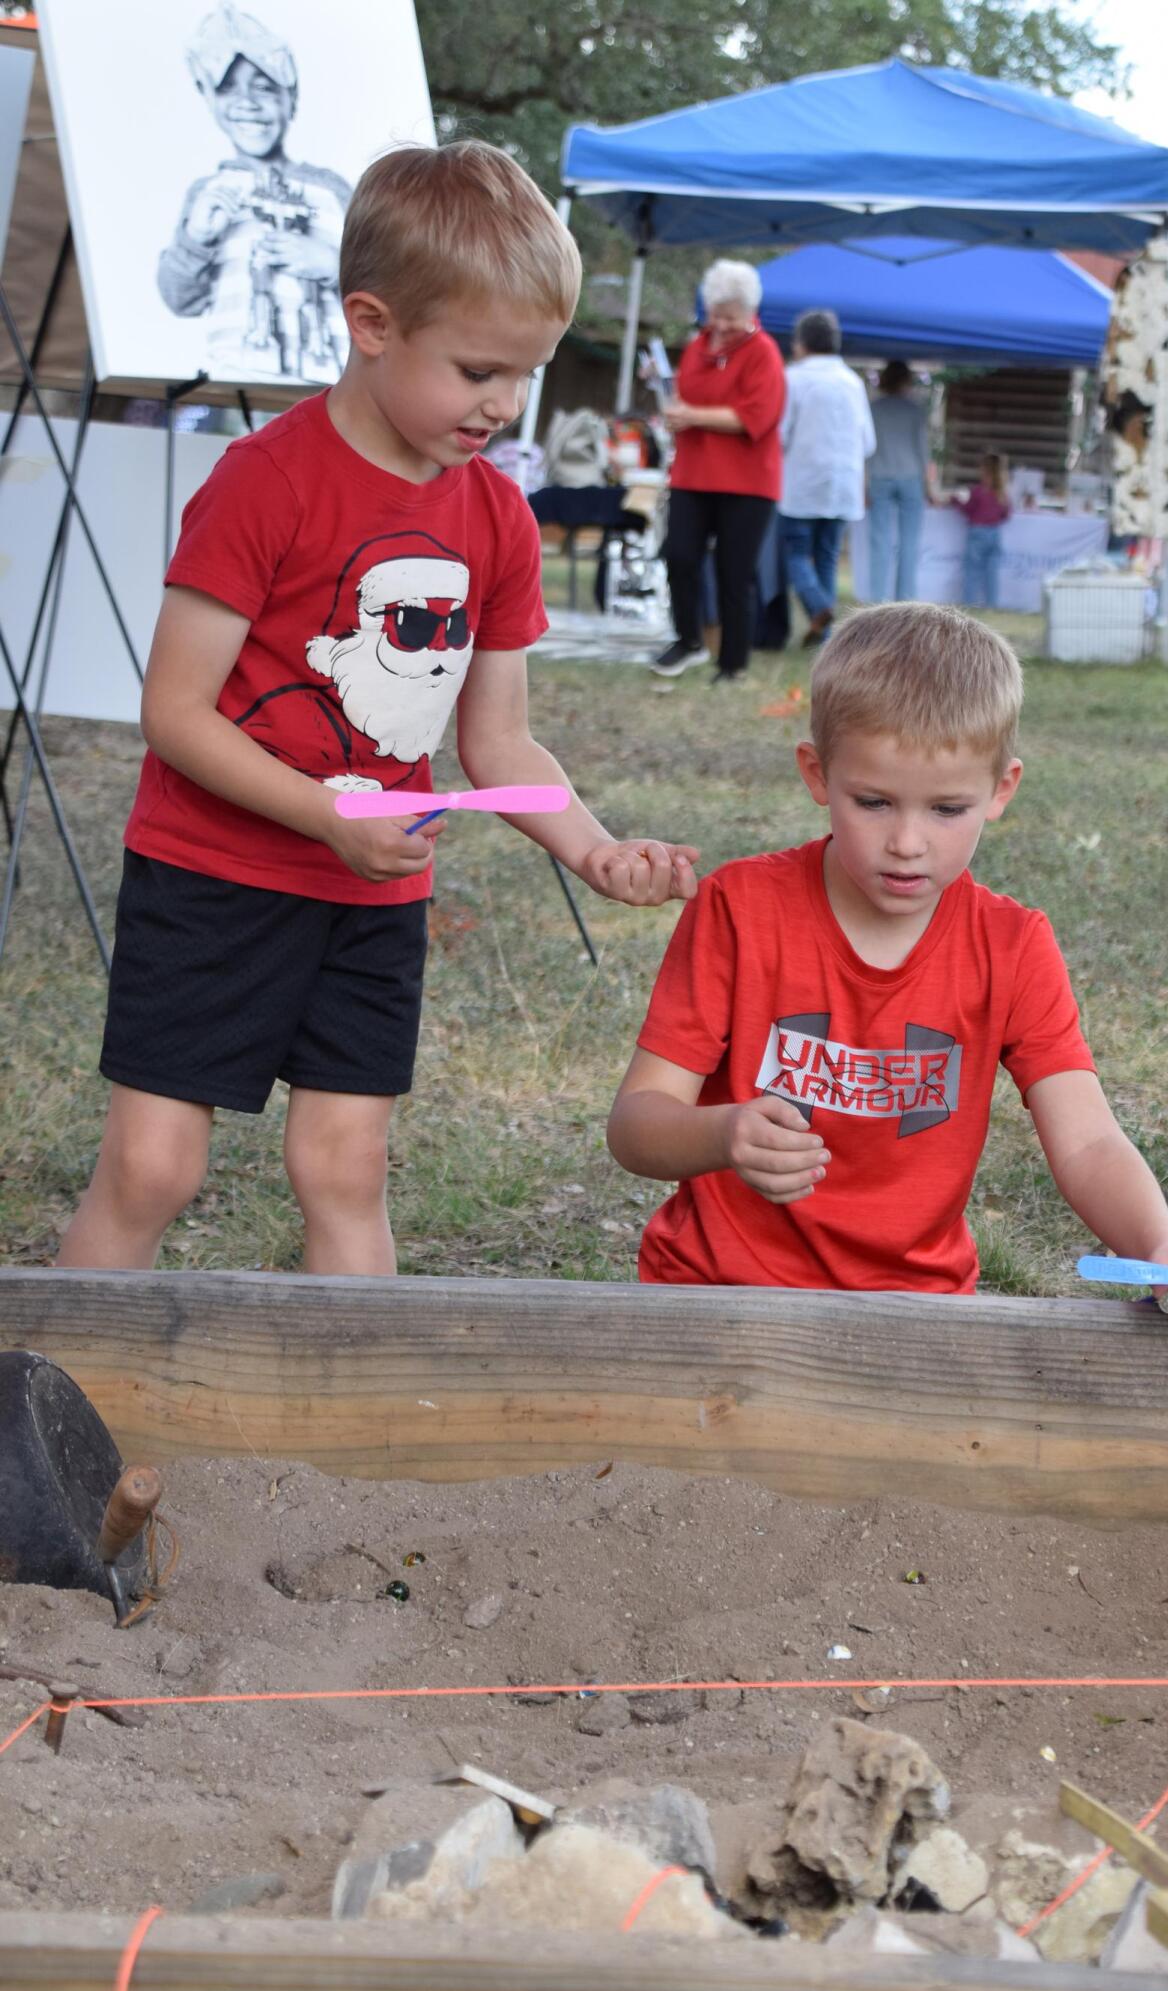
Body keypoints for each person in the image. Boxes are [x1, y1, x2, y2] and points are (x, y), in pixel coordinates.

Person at [59, 141, 699, 1278]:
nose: (503, 405)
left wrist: (593, 849)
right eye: (478, 371)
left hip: (372, 900)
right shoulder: (264, 481)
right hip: (213, 882)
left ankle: (352, 1389)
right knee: (153, 1168)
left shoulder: (499, 517)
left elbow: (498, 739)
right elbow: (175, 712)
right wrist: (325, 814)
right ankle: (62, 1383)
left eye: (527, 374)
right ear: (372, 323)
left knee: (345, 1169)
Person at [608, 602, 1168, 1313]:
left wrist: (1161, 1248)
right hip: (717, 1294)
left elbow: (1087, 1141)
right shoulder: (738, 910)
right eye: (873, 802)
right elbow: (637, 1125)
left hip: (921, 1312)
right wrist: (722, 1133)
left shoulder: (1013, 946)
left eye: (946, 809)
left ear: (1001, 790)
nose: (907, 842)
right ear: (817, 774)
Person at [159, 5, 351, 384]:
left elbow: (390, 288)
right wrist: (196, 239)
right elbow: (179, 298)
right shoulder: (209, 192)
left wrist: (334, 266)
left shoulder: (333, 190)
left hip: (330, 387)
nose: (247, 101)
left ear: (291, 95)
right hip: (238, 379)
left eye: (264, 86)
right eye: (227, 88)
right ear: (207, 97)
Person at [651, 261, 786, 685]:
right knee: (679, 555)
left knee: (735, 572)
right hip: (692, 473)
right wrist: (669, 400)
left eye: (732, 317)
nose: (723, 325)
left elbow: (755, 417)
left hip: (747, 481)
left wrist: (693, 416)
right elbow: (684, 397)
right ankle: (689, 639)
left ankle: (732, 664)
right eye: (717, 315)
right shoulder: (697, 347)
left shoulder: (764, 352)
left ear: (751, 312)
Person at [778, 310, 875, 646]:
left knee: (794, 553)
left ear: (801, 343)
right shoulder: (852, 382)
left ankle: (819, 607)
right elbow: (868, 442)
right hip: (843, 485)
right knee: (828, 558)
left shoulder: (793, 378)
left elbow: (780, 434)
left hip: (802, 483)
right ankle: (826, 637)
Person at [866, 360, 934, 602]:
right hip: (910, 477)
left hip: (880, 475)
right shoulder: (915, 409)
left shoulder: (873, 408)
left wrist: (864, 482)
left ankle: (877, 599)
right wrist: (930, 486)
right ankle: (906, 599)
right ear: (906, 380)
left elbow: (866, 448)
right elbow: (923, 450)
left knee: (880, 540)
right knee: (910, 541)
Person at [953, 452, 1012, 611]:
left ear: (984, 470)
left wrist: (955, 500)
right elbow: (1006, 514)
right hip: (994, 533)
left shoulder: (978, 491)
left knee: (972, 571)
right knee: (992, 573)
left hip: (977, 533)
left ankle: (969, 605)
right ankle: (992, 605)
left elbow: (968, 510)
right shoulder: (1002, 494)